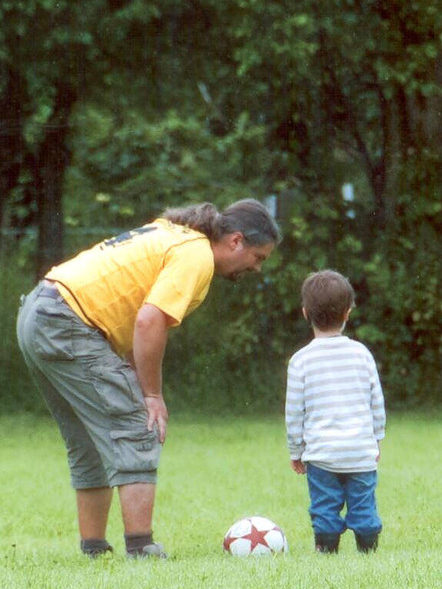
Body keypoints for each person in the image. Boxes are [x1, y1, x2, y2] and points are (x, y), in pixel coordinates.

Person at [16, 199, 281, 558]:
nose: (256, 267)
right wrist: (152, 395)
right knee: (137, 422)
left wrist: (138, 382)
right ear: (235, 241)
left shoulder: (174, 235)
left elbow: (132, 323)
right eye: (258, 257)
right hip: (65, 321)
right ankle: (141, 547)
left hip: (39, 310)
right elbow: (149, 321)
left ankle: (94, 549)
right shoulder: (196, 255)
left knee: (89, 437)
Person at [285, 270, 386, 553]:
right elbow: (375, 402)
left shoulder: (300, 360)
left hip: (321, 454)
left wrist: (296, 450)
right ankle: (368, 547)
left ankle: (327, 549)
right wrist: (376, 439)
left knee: (325, 506)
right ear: (348, 313)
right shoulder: (361, 354)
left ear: (306, 313)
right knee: (363, 502)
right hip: (360, 451)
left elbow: (294, 412)